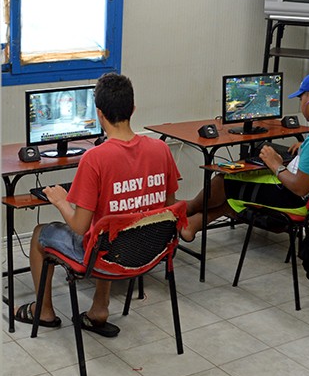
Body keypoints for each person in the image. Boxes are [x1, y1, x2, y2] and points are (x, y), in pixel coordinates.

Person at [11, 72, 181, 337]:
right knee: (111, 223)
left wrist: (60, 200)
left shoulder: (95, 158)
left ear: (99, 113)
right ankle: (99, 308)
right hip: (147, 253)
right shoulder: (161, 150)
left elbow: (79, 227)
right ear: (133, 109)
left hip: (106, 257)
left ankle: (43, 312)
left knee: (40, 235)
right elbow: (167, 209)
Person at [181, 70, 309, 241]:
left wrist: (275, 164)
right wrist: (308, 148)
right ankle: (194, 223)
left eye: (301, 98)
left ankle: (188, 209)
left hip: (303, 202)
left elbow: (299, 188)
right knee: (239, 190)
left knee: (225, 179)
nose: (301, 103)